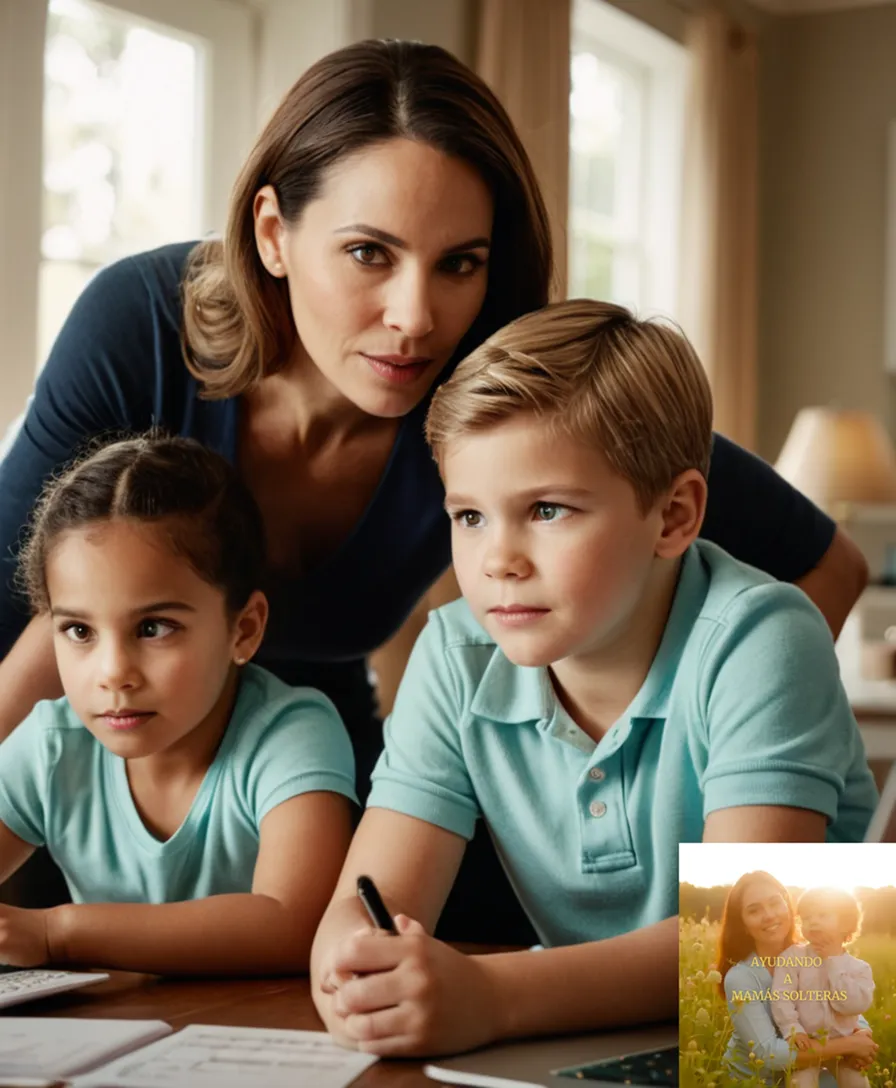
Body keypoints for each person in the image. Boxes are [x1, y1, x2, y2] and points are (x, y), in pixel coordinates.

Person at [0, 40, 867, 943]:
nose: (417, 319)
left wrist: (702, 778)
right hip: (103, 776)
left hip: (319, 775)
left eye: (460, 262)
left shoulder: (501, 397)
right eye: (370, 252)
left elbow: (821, 566)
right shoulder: (139, 330)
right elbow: (30, 617)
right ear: (272, 233)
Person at [309, 300, 878, 1058]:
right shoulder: (454, 654)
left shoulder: (762, 638)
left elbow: (749, 952)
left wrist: (492, 998)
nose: (496, 560)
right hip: (595, 1044)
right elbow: (364, 902)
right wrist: (352, 967)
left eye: (546, 509)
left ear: (674, 516)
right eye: (469, 516)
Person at [0, 435, 356, 975]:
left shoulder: (292, 733)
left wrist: (56, 932)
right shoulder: (50, 745)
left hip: (259, 1037)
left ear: (245, 629)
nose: (113, 672)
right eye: (78, 630)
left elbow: (294, 925)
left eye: (153, 627)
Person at [719, 873, 878, 1085]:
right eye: (754, 910)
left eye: (775, 903)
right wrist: (850, 1045)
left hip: (811, 1064)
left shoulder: (814, 952)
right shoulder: (740, 978)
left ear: (788, 906)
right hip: (757, 1080)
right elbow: (769, 1054)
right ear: (744, 925)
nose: (768, 915)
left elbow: (836, 999)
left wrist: (862, 1032)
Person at [770, 887, 875, 1088]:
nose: (813, 922)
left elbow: (852, 1006)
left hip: (844, 1050)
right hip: (807, 1044)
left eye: (822, 915)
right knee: (800, 1083)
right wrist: (793, 1030)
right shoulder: (792, 958)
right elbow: (781, 997)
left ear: (845, 924)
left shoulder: (859, 968)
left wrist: (832, 962)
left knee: (857, 1083)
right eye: (807, 918)